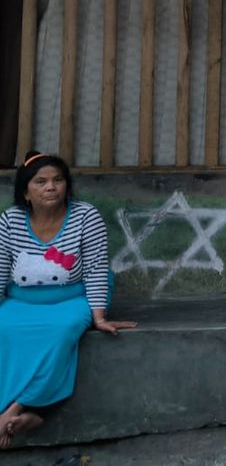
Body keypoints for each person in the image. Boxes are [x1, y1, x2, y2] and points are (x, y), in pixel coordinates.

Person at [0, 151, 135, 448]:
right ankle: (25, 416)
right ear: (26, 191)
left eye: (58, 180)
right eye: (41, 182)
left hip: (72, 298)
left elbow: (97, 269)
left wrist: (98, 316)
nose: (51, 187)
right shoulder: (10, 220)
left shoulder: (86, 217)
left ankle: (16, 410)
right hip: (20, 300)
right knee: (4, 329)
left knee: (60, 332)